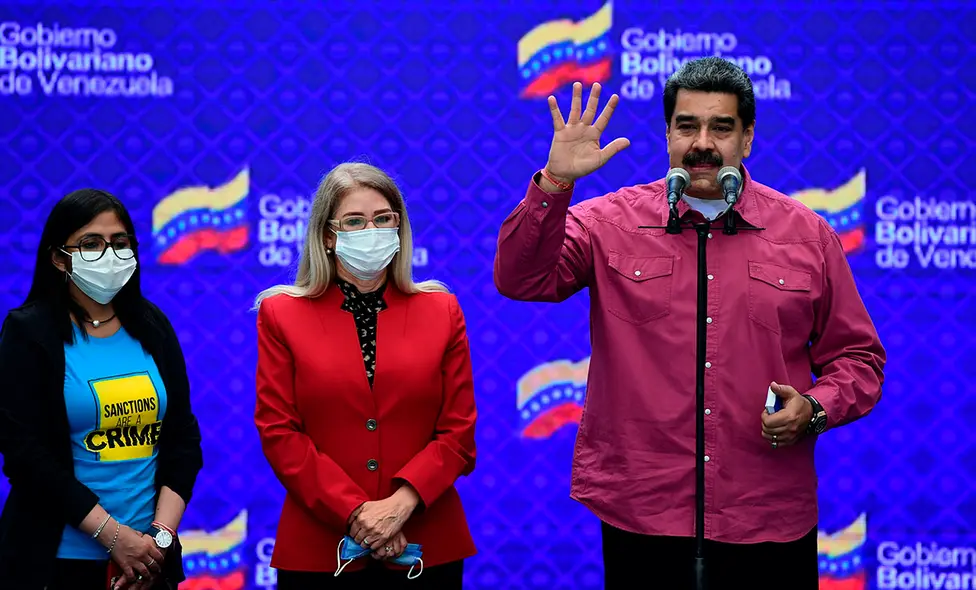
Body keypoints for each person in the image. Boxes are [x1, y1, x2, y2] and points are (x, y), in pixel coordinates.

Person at [494, 57, 886, 588]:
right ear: (668, 133)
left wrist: (814, 407)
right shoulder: (608, 222)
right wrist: (556, 182)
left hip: (766, 515)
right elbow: (521, 279)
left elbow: (859, 361)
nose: (703, 142)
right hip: (644, 514)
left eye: (721, 127)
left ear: (747, 139)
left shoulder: (807, 235)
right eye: (687, 126)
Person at [254, 162, 478, 589]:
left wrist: (400, 505)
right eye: (354, 221)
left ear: (399, 228)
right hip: (321, 550)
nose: (370, 230)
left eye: (383, 219)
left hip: (427, 543)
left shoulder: (442, 310)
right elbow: (279, 432)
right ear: (328, 235)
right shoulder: (281, 314)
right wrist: (360, 514)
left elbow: (458, 432)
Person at [0, 189, 203, 590]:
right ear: (59, 258)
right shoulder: (29, 332)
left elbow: (183, 439)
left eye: (120, 243)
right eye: (91, 244)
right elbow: (26, 457)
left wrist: (157, 540)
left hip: (149, 559)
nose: (109, 255)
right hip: (56, 559)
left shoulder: (152, 324)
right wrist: (114, 537)